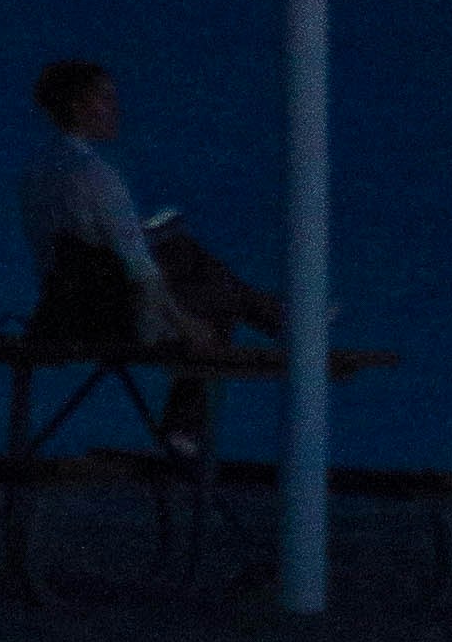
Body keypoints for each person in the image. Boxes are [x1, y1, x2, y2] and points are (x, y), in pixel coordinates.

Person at [15, 56, 282, 450]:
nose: (116, 109)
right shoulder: (98, 176)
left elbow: (77, 248)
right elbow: (139, 271)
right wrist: (185, 324)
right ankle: (184, 430)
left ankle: (276, 318)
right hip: (113, 318)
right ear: (77, 105)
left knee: (181, 250)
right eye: (105, 98)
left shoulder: (36, 172)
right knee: (215, 299)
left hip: (62, 313)